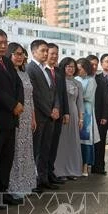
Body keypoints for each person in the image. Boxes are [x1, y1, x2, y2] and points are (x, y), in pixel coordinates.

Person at [0, 28, 23, 207]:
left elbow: (18, 84)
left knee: (8, 158)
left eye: (5, 43)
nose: (2, 46)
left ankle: (4, 192)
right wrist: (12, 104)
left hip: (12, 118)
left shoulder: (7, 62)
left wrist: (20, 103)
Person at [26, 39, 59, 191]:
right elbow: (35, 95)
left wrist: (56, 108)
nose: (46, 53)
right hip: (39, 116)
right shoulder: (30, 68)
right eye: (43, 51)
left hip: (51, 116)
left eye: (47, 50)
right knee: (36, 150)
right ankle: (34, 181)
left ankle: (44, 178)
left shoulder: (47, 69)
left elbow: (54, 91)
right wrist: (49, 111)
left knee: (46, 149)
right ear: (33, 52)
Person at [6, 42, 38, 197]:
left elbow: (30, 98)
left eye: (22, 54)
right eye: (16, 54)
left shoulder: (24, 73)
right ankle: (13, 186)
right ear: (9, 54)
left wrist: (33, 118)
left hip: (27, 118)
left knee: (26, 151)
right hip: (14, 116)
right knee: (15, 152)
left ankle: (25, 184)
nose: (20, 57)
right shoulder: (7, 72)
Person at [54, 57, 84, 178]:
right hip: (62, 113)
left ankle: (72, 170)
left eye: (72, 66)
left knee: (73, 143)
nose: (71, 69)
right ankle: (59, 171)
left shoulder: (78, 83)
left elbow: (80, 102)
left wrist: (81, 118)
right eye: (68, 66)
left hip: (74, 113)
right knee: (61, 143)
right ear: (63, 67)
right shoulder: (58, 80)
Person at [46, 43, 68, 185]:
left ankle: (50, 172)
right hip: (46, 114)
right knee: (45, 147)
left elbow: (63, 94)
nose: (54, 56)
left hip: (59, 114)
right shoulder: (42, 71)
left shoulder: (59, 72)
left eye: (56, 53)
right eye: (52, 53)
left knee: (54, 146)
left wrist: (65, 112)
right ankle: (43, 176)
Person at [76, 58, 99, 176]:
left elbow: (87, 96)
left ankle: (85, 165)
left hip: (86, 113)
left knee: (85, 140)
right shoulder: (74, 79)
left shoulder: (91, 81)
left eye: (80, 68)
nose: (78, 70)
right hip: (75, 112)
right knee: (75, 140)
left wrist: (74, 96)